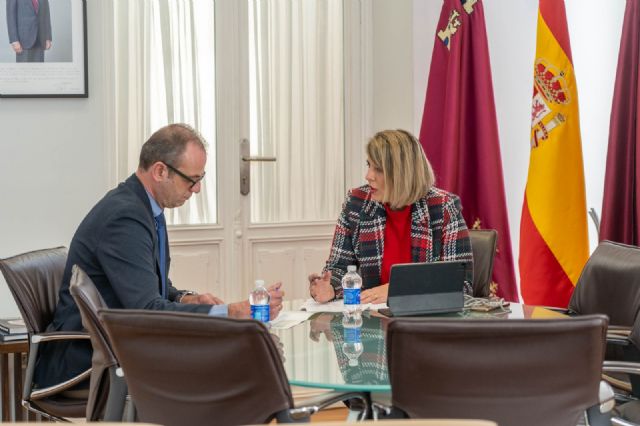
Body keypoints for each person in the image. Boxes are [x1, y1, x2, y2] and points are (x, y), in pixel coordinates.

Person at [35, 123, 284, 389]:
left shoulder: (144, 207)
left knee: (246, 350)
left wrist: (186, 298)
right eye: (192, 180)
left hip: (122, 347)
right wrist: (230, 312)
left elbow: (150, 287)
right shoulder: (124, 217)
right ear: (160, 171)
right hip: (91, 362)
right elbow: (147, 310)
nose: (197, 189)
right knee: (243, 354)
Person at [308, 129, 472, 305]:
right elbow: (340, 267)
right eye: (369, 165)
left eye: (378, 169)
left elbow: (461, 285)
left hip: (424, 317)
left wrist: (399, 290)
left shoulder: (442, 207)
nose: (368, 176)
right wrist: (330, 287)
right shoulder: (357, 203)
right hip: (371, 315)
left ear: (403, 174)